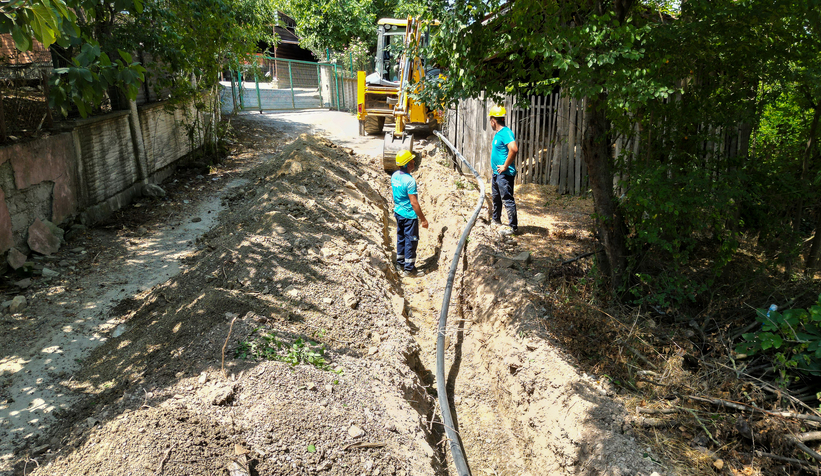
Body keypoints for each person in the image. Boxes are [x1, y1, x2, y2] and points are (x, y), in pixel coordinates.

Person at [392, 149, 429, 277]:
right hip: (409, 216)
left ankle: (400, 264)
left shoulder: (395, 176)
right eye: (411, 160)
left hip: (398, 212)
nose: (414, 161)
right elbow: (414, 203)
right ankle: (409, 269)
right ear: (408, 164)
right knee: (411, 241)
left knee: (401, 238)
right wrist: (423, 219)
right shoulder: (409, 181)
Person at [489, 105, 519, 235]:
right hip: (497, 174)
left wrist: (505, 166)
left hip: (504, 174)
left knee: (507, 199)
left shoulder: (506, 132)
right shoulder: (499, 134)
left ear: (493, 121)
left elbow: (514, 149)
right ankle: (496, 220)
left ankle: (513, 227)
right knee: (496, 198)